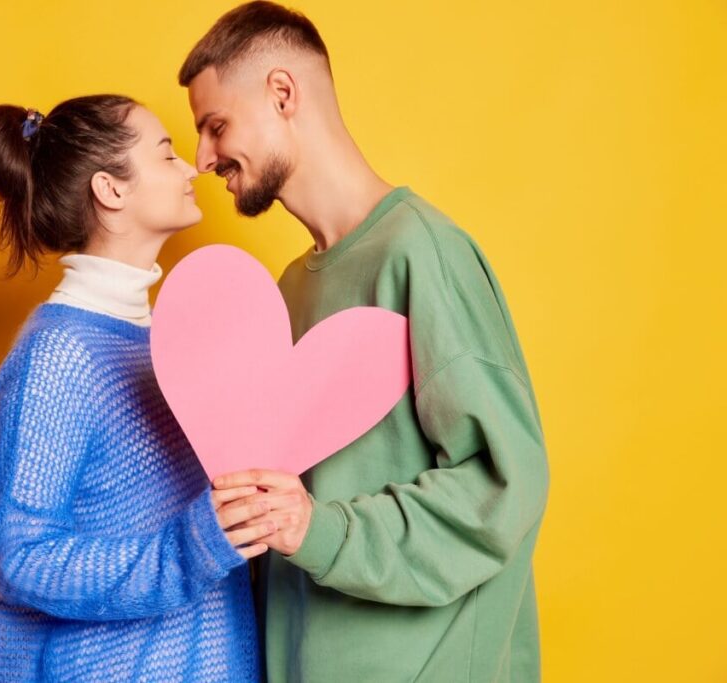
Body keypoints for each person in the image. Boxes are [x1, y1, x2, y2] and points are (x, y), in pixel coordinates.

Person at [179, 3, 550, 681]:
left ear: (283, 93)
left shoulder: (422, 252)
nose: (202, 157)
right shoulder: (289, 288)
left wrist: (318, 528)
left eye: (215, 125)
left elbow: (506, 481)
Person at [0, 95, 268, 682]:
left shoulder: (160, 344)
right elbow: (19, 558)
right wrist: (193, 545)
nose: (191, 168)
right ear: (111, 189)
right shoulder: (59, 357)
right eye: (167, 154)